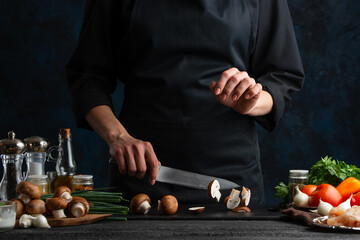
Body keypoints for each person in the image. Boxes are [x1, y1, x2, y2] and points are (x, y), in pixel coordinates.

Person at [66, 0, 304, 207]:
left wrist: (250, 101)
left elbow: (282, 77)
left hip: (231, 176)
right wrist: (117, 137)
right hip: (143, 172)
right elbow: (88, 78)